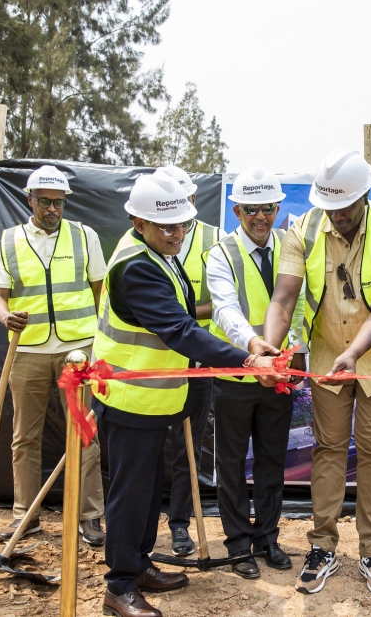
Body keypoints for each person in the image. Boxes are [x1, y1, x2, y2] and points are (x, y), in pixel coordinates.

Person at [93, 171, 281, 617]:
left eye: (181, 224)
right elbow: (179, 329)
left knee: (145, 492)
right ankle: (119, 587)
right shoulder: (137, 266)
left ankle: (138, 566)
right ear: (139, 223)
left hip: (155, 398)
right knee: (129, 495)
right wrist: (247, 359)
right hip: (130, 399)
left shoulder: (159, 252)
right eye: (167, 226)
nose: (178, 233)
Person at [263, 149, 371, 598]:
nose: (338, 215)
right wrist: (272, 349)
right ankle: (323, 546)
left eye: (346, 207)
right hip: (326, 355)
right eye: (330, 206)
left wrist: (354, 353)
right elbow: (284, 297)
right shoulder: (304, 229)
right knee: (328, 449)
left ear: (365, 195)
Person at [0, 166, 106, 546]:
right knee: (25, 436)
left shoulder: (85, 236)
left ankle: (89, 516)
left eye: (59, 202)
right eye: (45, 202)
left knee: (85, 434)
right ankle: (26, 515)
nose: (53, 209)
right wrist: (5, 316)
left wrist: (100, 344)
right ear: (31, 200)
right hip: (26, 350)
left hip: (79, 351)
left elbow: (100, 291)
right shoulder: (8, 241)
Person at [203, 166, 306, 579]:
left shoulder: (291, 245)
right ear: (237, 210)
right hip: (235, 375)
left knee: (271, 460)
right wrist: (254, 349)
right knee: (230, 463)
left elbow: (299, 301)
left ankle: (267, 538)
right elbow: (225, 309)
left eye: (267, 208)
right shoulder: (221, 253)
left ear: (278, 207)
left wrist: (291, 351)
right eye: (250, 209)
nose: (260, 216)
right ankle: (237, 544)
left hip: (278, 375)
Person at [161, 165, 220, 558]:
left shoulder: (217, 240)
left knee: (188, 444)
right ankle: (140, 523)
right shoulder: (147, 236)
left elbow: (222, 300)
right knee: (146, 446)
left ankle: (179, 523)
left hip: (198, 360)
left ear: (194, 201)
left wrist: (179, 317)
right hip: (154, 361)